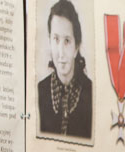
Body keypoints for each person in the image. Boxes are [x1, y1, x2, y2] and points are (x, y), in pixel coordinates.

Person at [38, 0, 92, 139]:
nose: (60, 52)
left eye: (67, 41)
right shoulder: (39, 91)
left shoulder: (91, 93)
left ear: (76, 47)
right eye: (56, 39)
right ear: (49, 41)